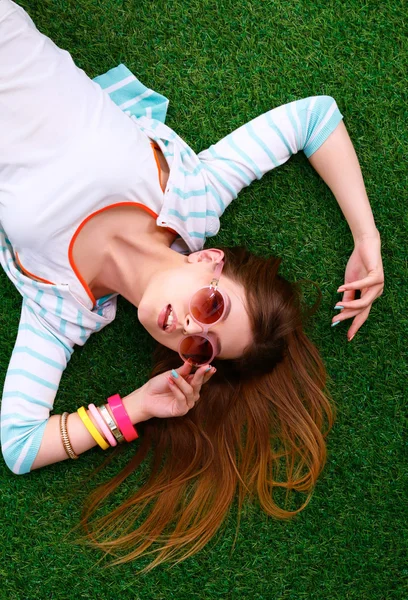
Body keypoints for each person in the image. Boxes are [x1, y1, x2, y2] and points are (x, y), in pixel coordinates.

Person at [0, 0, 384, 569]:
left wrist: (134, 409)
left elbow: (20, 444)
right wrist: (366, 237)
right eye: (213, 305)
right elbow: (313, 118)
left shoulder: (63, 310)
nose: (186, 325)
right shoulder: (192, 194)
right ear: (207, 260)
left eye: (201, 345)